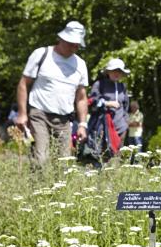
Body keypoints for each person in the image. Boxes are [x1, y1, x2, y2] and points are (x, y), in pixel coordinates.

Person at [15, 21, 89, 166]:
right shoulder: (42, 54)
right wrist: (22, 113)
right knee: (41, 159)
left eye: (77, 45)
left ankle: (56, 189)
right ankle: (36, 188)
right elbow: (23, 84)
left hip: (64, 120)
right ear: (62, 39)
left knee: (64, 164)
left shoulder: (80, 64)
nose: (75, 48)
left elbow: (81, 97)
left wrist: (82, 124)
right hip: (39, 114)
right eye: (72, 43)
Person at [85, 58, 130, 159]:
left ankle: (116, 173)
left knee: (118, 153)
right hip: (103, 125)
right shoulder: (99, 84)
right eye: (114, 71)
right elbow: (91, 101)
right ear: (108, 72)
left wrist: (126, 122)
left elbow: (126, 106)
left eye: (119, 71)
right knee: (104, 153)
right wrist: (107, 103)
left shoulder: (122, 86)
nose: (116, 74)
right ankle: (105, 173)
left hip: (121, 126)